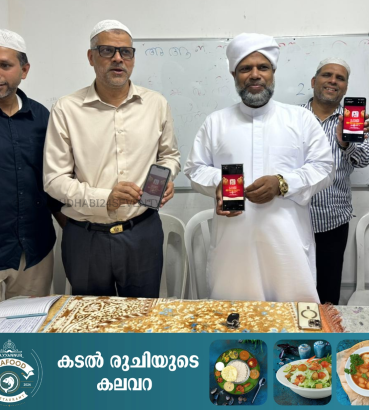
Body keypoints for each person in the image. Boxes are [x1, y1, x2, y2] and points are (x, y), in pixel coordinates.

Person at [184, 33, 334, 303]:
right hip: (233, 252)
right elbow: (195, 169)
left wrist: (283, 183)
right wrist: (219, 182)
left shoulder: (301, 119)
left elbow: (324, 168)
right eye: (245, 68)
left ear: (273, 72)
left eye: (262, 67)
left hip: (288, 252)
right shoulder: (216, 122)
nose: (255, 75)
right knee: (233, 323)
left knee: (291, 323)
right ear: (234, 74)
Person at [44, 20, 180, 297]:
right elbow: (54, 180)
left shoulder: (156, 104)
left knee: (142, 316)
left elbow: (169, 155)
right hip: (86, 238)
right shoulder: (66, 109)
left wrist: (166, 176)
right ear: (91, 57)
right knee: (90, 318)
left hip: (142, 233)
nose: (118, 58)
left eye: (126, 52)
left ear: (132, 58)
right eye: (107, 50)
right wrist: (104, 198)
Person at [302, 58, 369, 304]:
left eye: (340, 78)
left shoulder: (353, 121)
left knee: (327, 294)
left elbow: (364, 160)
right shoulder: (293, 117)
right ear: (314, 81)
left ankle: (325, 330)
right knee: (293, 290)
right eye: (327, 75)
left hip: (333, 221)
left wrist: (346, 143)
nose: (333, 81)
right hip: (294, 219)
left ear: (345, 87)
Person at [0, 29, 64, 299]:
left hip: (34, 250)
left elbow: (53, 179)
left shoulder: (42, 117)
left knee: (30, 324)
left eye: (5, 65)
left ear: (24, 70)